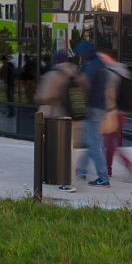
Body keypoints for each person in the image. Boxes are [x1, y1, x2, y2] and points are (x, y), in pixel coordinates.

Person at [35, 49, 88, 193]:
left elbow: (44, 96)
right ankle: (61, 178)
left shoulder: (53, 75)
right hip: (78, 117)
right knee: (70, 151)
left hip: (61, 120)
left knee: (65, 152)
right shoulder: (78, 74)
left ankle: (70, 183)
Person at [98, 47, 132, 183]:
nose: (100, 60)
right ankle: (108, 170)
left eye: (101, 57)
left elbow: (107, 95)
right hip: (123, 112)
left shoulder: (110, 73)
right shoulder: (123, 70)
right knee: (113, 142)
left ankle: (130, 169)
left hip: (113, 112)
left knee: (110, 143)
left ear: (108, 58)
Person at [73, 40, 110, 187]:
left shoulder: (92, 66)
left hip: (93, 109)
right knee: (90, 141)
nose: (80, 57)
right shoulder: (100, 64)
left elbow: (84, 86)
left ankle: (103, 178)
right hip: (100, 108)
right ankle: (81, 170)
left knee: (94, 145)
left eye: (81, 54)